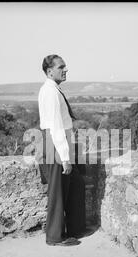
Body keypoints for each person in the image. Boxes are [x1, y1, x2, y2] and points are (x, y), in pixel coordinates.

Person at [37, 54, 86, 246]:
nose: (65, 70)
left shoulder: (52, 90)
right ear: (50, 71)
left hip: (57, 143)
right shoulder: (49, 92)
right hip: (55, 144)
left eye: (65, 67)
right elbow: (55, 126)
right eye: (61, 67)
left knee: (76, 184)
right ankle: (55, 237)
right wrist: (65, 157)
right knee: (57, 192)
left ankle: (75, 229)